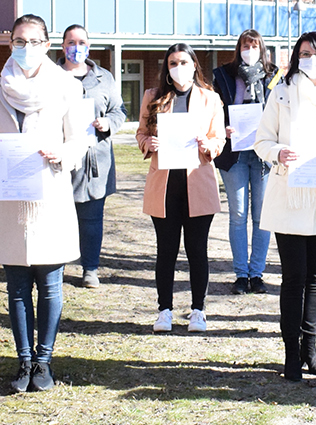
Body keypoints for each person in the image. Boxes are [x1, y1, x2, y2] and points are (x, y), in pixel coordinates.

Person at [0, 14, 88, 393]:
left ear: (47, 44)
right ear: (10, 44)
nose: (27, 48)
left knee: (51, 284)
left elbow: (79, 140)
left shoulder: (66, 87)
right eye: (19, 41)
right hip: (10, 199)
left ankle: (44, 360)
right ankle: (23, 360)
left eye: (34, 41)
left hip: (50, 195)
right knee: (17, 287)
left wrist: (62, 154)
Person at [255, 31, 316, 381]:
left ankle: (310, 347)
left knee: (315, 278)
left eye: (314, 52)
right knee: (293, 278)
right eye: (302, 53)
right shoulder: (281, 92)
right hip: (290, 195)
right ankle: (290, 352)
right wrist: (278, 152)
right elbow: (261, 140)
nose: (308, 58)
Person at [136, 44, 226, 333]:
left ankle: (198, 310)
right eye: (173, 62)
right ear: (167, 66)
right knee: (166, 250)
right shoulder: (153, 97)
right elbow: (141, 131)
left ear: (194, 65)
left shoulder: (210, 99)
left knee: (197, 250)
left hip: (197, 182)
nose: (178, 67)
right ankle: (164, 310)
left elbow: (219, 138)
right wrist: (147, 144)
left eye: (184, 61)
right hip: (164, 185)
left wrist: (207, 145)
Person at [60, 25, 128, 288]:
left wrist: (107, 123)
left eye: (82, 42)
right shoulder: (51, 76)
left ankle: (90, 268)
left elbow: (119, 111)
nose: (77, 47)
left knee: (91, 217)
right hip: (58, 157)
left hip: (94, 160)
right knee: (59, 216)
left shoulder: (104, 77)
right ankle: (55, 265)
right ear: (63, 45)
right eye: (71, 42)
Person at [213, 30, 278, 294]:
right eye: (245, 45)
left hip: (264, 155)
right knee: (238, 214)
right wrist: (223, 126)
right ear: (238, 48)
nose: (249, 49)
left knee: (262, 216)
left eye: (254, 45)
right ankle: (241, 274)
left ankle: (257, 273)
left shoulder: (275, 75)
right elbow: (214, 109)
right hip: (235, 154)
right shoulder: (223, 75)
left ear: (262, 48)